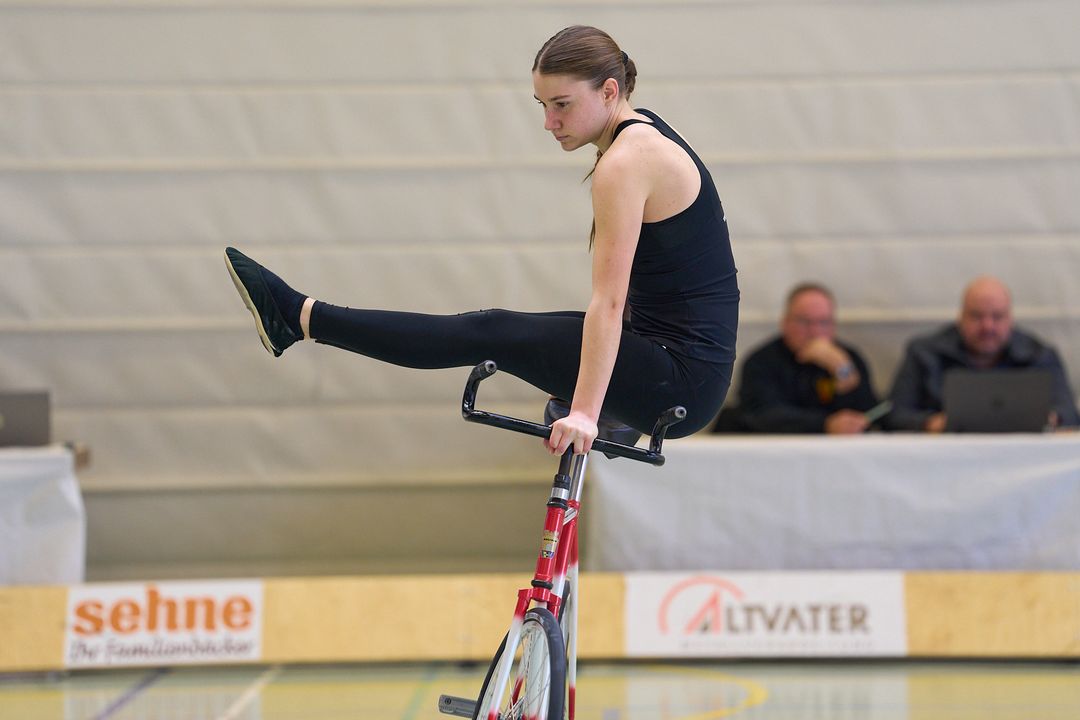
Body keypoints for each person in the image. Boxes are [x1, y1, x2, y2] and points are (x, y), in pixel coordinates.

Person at [224, 25, 739, 456]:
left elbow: (609, 301)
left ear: (609, 91)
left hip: (680, 383)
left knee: (490, 332)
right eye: (542, 105)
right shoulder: (644, 132)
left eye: (561, 104)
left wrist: (586, 412)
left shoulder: (626, 162)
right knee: (501, 328)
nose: (549, 123)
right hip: (671, 360)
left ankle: (300, 318)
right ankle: (302, 317)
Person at [888, 275, 1079, 432]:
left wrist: (1049, 419)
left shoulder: (1039, 356)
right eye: (976, 316)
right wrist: (931, 423)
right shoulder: (924, 353)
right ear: (960, 316)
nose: (987, 326)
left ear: (1010, 318)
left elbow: (1069, 413)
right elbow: (893, 415)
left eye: (997, 316)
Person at [717, 283, 881, 434]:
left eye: (824, 322)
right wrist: (825, 424)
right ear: (785, 322)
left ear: (834, 325)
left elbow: (869, 414)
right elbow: (763, 414)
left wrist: (843, 370)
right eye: (804, 322)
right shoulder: (761, 361)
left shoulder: (848, 358)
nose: (815, 331)